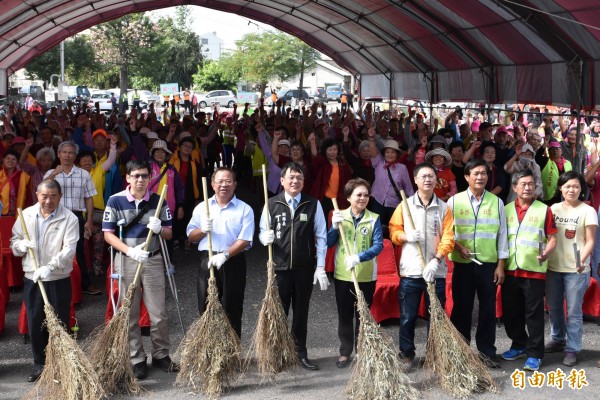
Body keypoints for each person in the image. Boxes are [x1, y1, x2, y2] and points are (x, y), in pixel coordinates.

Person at [103, 159, 179, 380]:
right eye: (135, 175)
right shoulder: (115, 201)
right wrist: (129, 250)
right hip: (127, 259)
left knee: (159, 313)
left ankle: (161, 354)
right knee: (129, 313)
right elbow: (108, 234)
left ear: (149, 178)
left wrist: (159, 230)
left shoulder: (158, 200)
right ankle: (136, 358)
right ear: (128, 178)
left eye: (144, 176)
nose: (140, 180)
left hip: (153, 259)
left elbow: (168, 233)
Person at [258, 162, 328, 370]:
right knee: (278, 312)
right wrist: (265, 238)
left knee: (301, 312)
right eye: (291, 177)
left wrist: (320, 266)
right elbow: (262, 231)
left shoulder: (313, 204)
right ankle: (278, 353)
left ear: (303, 181)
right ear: (282, 181)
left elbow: (321, 237)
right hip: (279, 267)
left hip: (304, 268)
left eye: (299, 178)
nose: (295, 181)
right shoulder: (271, 203)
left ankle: (300, 352)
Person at [10, 179, 79, 383]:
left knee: (59, 321)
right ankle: (40, 364)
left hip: (57, 277)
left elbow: (69, 250)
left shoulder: (70, 218)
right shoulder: (26, 215)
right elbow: (14, 243)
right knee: (35, 321)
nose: (48, 200)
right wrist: (21, 245)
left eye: (53, 196)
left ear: (60, 196)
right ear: (37, 195)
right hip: (33, 277)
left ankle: (60, 363)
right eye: (44, 196)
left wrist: (50, 267)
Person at [389, 162, 455, 366]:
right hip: (411, 271)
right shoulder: (405, 205)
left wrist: (437, 259)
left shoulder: (444, 208)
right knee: (408, 317)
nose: (427, 179)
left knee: (435, 317)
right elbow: (393, 231)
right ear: (415, 180)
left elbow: (449, 238)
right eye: (423, 176)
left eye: (431, 176)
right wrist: (405, 236)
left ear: (436, 180)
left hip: (436, 272)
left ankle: (434, 354)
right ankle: (407, 354)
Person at [447, 158, 508, 368]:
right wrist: (458, 247)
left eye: (483, 173)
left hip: (488, 265)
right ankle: (461, 351)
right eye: (476, 173)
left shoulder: (496, 202)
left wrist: (501, 265)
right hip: (462, 265)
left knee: (488, 309)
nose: (480, 177)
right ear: (466, 177)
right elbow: (447, 233)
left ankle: (486, 352)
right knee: (461, 308)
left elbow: (502, 235)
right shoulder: (454, 202)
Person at [186, 167, 254, 338]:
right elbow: (191, 236)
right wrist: (202, 230)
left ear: (235, 184)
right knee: (206, 305)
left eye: (228, 181)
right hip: (207, 260)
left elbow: (245, 239)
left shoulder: (245, 209)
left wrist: (225, 255)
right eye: (220, 181)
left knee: (232, 307)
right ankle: (209, 352)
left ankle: (232, 353)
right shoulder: (203, 207)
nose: (224, 185)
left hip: (233, 260)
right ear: (212, 184)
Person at [500, 168, 557, 372]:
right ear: (515, 187)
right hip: (509, 270)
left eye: (531, 184)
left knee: (533, 315)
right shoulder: (505, 209)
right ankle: (519, 344)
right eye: (523, 184)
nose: (527, 187)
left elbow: (552, 238)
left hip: (534, 270)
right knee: (511, 313)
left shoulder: (544, 209)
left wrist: (546, 253)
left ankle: (535, 353)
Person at [326, 178, 383, 368]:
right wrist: (334, 228)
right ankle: (345, 352)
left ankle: (362, 351)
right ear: (349, 197)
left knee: (363, 315)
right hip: (343, 275)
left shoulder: (373, 218)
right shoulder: (339, 215)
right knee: (344, 315)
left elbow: (378, 246)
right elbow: (328, 243)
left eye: (366, 195)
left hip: (366, 276)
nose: (363, 198)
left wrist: (359, 257)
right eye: (358, 194)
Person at [545, 170, 597, 367]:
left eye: (576, 186)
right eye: (567, 186)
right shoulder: (553, 209)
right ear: (560, 188)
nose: (572, 190)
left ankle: (572, 348)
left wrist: (580, 260)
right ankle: (557, 339)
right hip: (553, 268)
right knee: (555, 308)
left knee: (574, 311)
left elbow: (590, 241)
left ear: (581, 188)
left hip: (577, 270)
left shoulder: (588, 211)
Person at [44, 141, 101, 296]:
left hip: (75, 217)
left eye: (71, 153)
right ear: (58, 154)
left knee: (78, 250)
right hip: (54, 216)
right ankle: (52, 281)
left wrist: (89, 220)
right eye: (64, 152)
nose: (67, 156)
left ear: (75, 156)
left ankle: (85, 283)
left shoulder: (84, 174)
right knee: (54, 249)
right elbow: (41, 190)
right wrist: (55, 174)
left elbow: (89, 198)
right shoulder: (51, 172)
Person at [366, 127, 413, 229]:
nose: (390, 154)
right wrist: (371, 138)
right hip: (377, 202)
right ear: (384, 153)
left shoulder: (402, 168)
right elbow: (373, 151)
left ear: (397, 154)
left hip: (394, 205)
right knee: (375, 228)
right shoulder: (379, 163)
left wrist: (412, 205)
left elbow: (409, 189)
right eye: (387, 152)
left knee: (393, 230)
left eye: (393, 152)